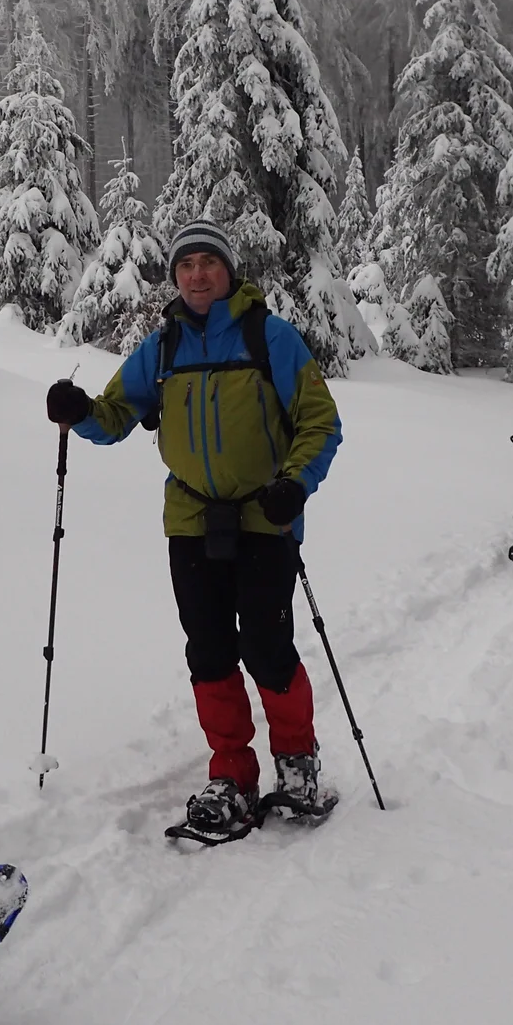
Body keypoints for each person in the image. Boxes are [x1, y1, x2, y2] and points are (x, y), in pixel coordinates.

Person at [44, 219, 343, 838]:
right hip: (190, 518)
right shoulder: (163, 347)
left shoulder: (270, 337)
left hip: (265, 516)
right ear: (174, 276)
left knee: (266, 645)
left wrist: (295, 483)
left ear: (228, 270)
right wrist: (81, 412)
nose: (197, 274)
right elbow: (116, 414)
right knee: (208, 649)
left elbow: (320, 422)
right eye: (185, 265)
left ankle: (297, 761)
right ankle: (231, 772)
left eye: (208, 262)